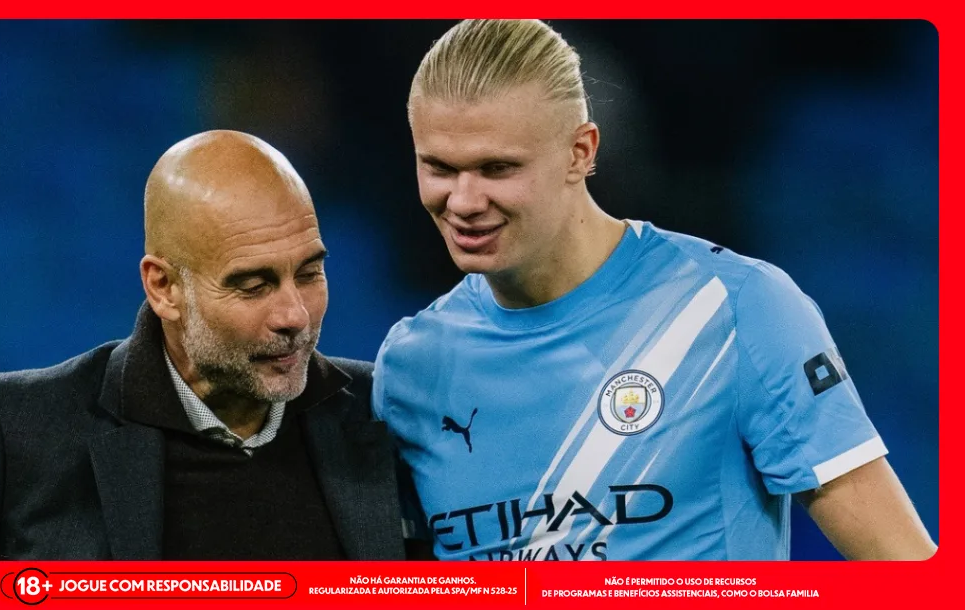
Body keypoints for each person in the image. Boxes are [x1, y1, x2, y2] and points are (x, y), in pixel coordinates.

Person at [372, 19, 937, 561]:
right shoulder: (409, 369)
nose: (464, 201)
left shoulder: (735, 308)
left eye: (497, 169)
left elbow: (909, 572)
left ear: (581, 152)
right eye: (440, 168)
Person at [0, 130, 407, 560]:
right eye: (253, 285)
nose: (294, 315)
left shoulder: (388, 415)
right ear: (164, 288)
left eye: (309, 274)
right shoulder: (17, 436)